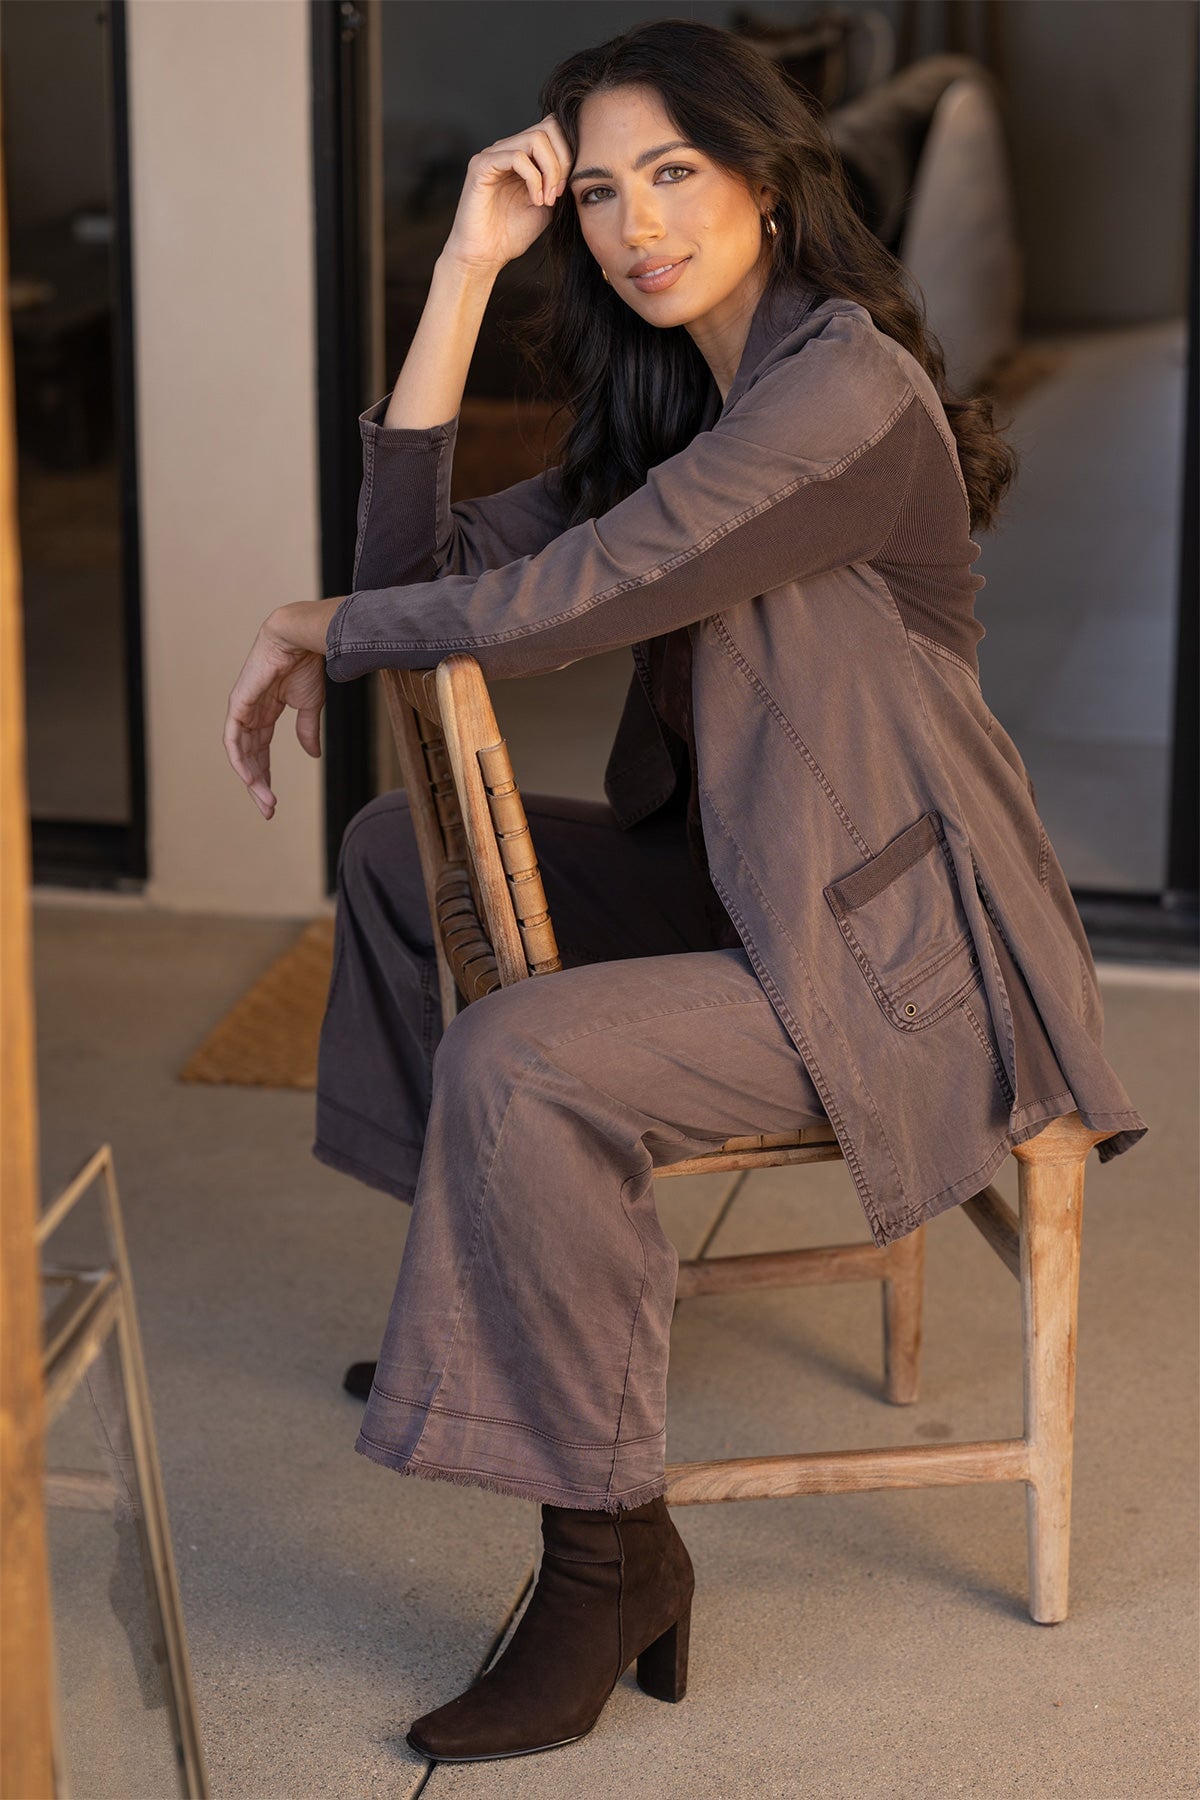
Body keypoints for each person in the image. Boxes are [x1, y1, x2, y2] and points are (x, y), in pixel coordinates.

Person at [223, 19, 1148, 1766]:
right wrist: (462, 270)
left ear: (769, 184)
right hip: (738, 884)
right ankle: (510, 1313)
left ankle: (604, 1567)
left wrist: (323, 632)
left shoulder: (839, 392)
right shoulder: (679, 399)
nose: (638, 223)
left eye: (676, 172)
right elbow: (411, 576)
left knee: (525, 1062)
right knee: (390, 858)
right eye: (597, 194)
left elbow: (573, 596)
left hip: (892, 956)